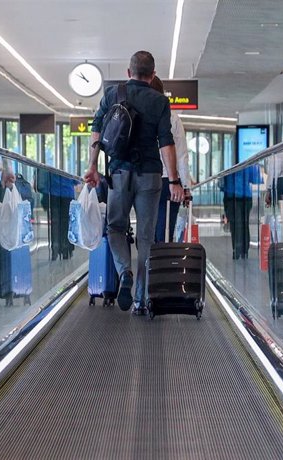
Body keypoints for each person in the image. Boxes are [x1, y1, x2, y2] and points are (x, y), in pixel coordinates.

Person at [83, 50, 184, 314]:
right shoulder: (160, 101)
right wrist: (174, 180)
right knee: (146, 238)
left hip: (118, 173)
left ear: (129, 73)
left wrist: (93, 166)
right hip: (150, 175)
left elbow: (97, 131)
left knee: (115, 227)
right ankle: (140, 299)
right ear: (152, 76)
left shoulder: (113, 95)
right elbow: (167, 143)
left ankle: (123, 270)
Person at [149, 76, 194, 243]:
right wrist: (186, 187)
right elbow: (181, 155)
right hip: (169, 182)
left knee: (147, 231)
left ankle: (147, 266)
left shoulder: (136, 115)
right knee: (165, 231)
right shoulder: (172, 118)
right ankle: (162, 265)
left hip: (143, 181)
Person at [220, 165, 261, 259]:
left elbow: (221, 182)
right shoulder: (247, 162)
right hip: (246, 196)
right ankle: (244, 250)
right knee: (244, 223)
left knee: (235, 224)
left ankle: (237, 249)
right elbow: (255, 178)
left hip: (231, 196)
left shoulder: (228, 161)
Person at [37, 169, 79, 260]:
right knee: (66, 223)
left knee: (55, 223)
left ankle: (55, 249)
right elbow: (76, 181)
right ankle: (66, 249)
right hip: (68, 194)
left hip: (53, 194)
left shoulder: (50, 162)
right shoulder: (69, 164)